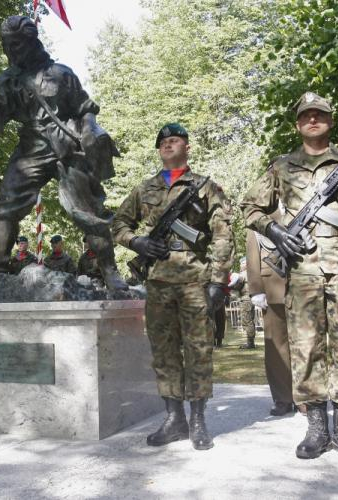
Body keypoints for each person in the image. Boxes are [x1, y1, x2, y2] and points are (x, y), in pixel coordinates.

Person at [241, 92, 338, 462]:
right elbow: (250, 207)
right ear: (298, 123)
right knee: (306, 348)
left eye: (319, 114)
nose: (312, 119)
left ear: (329, 120)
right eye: (305, 115)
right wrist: (275, 232)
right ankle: (317, 428)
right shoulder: (282, 166)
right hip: (301, 271)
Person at [0, 15, 127, 291]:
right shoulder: (5, 82)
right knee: (6, 206)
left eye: (17, 45)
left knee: (87, 211)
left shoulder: (61, 73)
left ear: (32, 43)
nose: (11, 51)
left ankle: (109, 270)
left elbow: (85, 108)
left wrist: (90, 133)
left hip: (67, 146)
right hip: (30, 148)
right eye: (7, 45)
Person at [112, 123, 234, 450]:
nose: (168, 144)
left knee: (198, 348)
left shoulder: (206, 187)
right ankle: (173, 418)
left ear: (187, 147)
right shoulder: (144, 189)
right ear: (159, 149)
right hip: (158, 281)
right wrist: (136, 241)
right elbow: (118, 225)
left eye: (175, 140)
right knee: (163, 351)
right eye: (163, 142)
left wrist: (219, 281)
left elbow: (223, 235)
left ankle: (197, 419)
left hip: (195, 278)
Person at [246, 226, 295, 416]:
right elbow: (252, 253)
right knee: (276, 346)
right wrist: (255, 288)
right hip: (272, 286)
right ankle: (283, 397)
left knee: (307, 344)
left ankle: (306, 396)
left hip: (303, 285)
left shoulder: (301, 201)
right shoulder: (261, 210)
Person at [229, 257, 256, 349]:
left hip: (246, 299)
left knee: (247, 321)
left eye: (242, 263)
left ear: (246, 264)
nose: (241, 265)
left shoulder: (243, 274)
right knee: (250, 320)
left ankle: (250, 343)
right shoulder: (252, 273)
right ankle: (250, 341)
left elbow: (236, 286)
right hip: (250, 298)